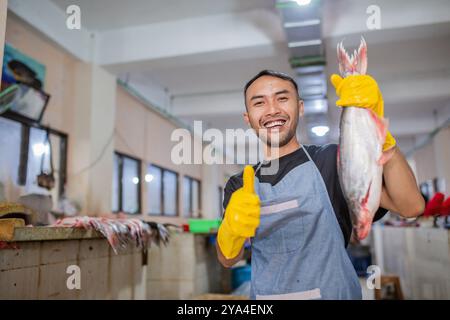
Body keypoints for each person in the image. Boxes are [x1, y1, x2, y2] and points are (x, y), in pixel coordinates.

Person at [216, 70, 425, 299]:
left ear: (301, 107)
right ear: (248, 118)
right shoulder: (240, 184)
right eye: (259, 103)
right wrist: (231, 232)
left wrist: (380, 136)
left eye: (282, 98)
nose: (272, 109)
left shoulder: (332, 160)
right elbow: (227, 259)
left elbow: (410, 207)